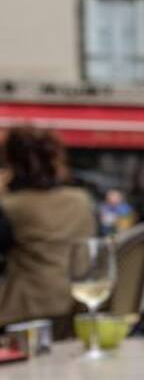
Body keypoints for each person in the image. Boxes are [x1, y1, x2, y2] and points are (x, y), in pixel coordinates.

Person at [0, 127, 96, 327]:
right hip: (76, 311)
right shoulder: (80, 200)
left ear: (10, 163)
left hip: (23, 315)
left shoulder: (12, 206)